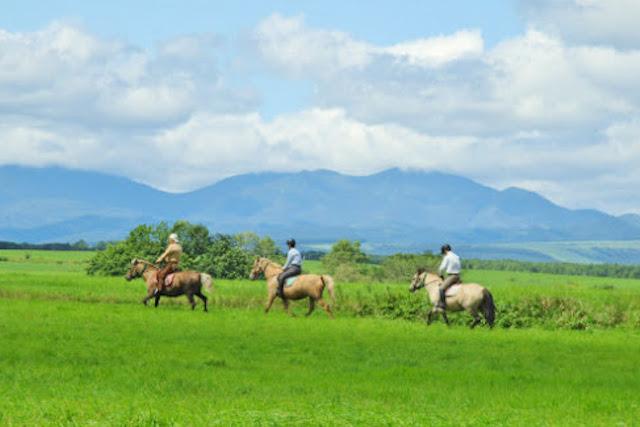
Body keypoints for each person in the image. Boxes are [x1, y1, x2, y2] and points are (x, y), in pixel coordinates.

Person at [437, 244, 461, 308]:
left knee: (441, 288)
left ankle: (442, 303)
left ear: (445, 250)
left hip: (452, 276)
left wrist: (440, 274)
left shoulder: (447, 257)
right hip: (458, 275)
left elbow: (442, 268)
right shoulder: (456, 256)